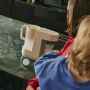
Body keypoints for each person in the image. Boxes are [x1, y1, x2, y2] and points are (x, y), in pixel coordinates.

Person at [26, 0, 90, 90]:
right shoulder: (74, 42)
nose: (67, 16)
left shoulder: (74, 45)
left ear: (77, 16)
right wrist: (33, 83)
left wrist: (32, 84)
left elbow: (42, 65)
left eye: (68, 12)